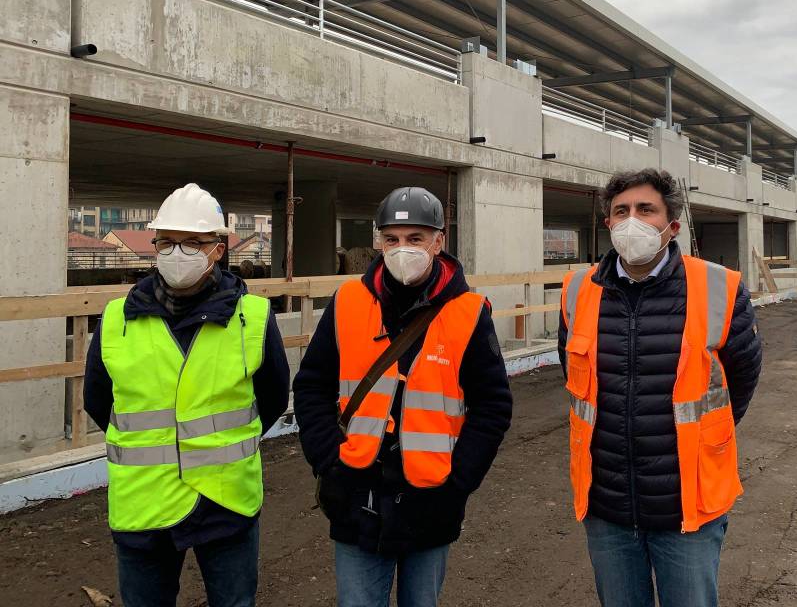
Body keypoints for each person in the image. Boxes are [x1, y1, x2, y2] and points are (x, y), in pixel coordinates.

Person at [294, 186, 512, 607]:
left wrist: (458, 484)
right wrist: (329, 461)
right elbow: (312, 386)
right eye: (391, 239)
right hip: (356, 494)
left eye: (415, 239)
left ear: (438, 241)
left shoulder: (467, 312)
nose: (401, 250)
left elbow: (492, 407)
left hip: (430, 499)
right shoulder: (348, 302)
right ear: (378, 240)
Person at [559, 168, 762, 607]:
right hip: (607, 504)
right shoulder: (578, 291)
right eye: (621, 211)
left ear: (672, 226)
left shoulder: (719, 288)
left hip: (687, 506)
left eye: (646, 210)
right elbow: (575, 382)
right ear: (608, 223)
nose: (632, 220)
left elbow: (739, 382)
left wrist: (705, 439)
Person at [84, 183, 290, 607]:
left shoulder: (251, 317)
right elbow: (99, 402)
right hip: (145, 506)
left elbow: (271, 398)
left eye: (193, 243)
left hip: (225, 502)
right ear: (154, 245)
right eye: (168, 242)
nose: (178, 253)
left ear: (218, 248)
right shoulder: (115, 320)